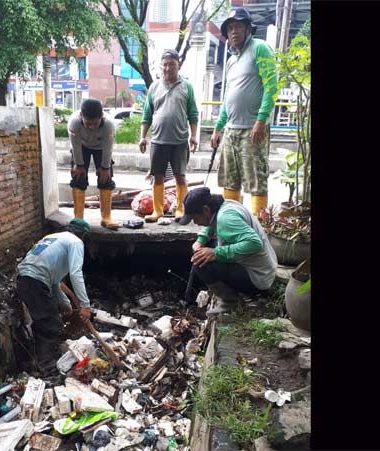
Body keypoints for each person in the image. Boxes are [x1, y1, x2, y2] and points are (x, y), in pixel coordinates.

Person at [210, 7, 278, 217]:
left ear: (248, 28)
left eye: (238, 26)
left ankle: (260, 228)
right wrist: (218, 127)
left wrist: (261, 120)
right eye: (230, 28)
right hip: (231, 130)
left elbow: (271, 86)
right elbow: (227, 98)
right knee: (230, 179)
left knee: (256, 180)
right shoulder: (231, 61)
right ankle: (234, 222)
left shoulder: (261, 48)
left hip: (252, 128)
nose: (233, 32)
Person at [179, 187, 277, 316]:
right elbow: (210, 224)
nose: (195, 223)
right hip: (264, 268)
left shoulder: (226, 219)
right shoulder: (224, 206)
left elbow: (254, 243)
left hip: (257, 277)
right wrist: (200, 240)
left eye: (194, 218)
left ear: (206, 210)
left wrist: (216, 253)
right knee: (203, 251)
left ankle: (230, 301)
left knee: (201, 264)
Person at [16, 218, 93, 370]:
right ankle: (45, 364)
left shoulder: (52, 238)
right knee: (51, 323)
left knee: (43, 319)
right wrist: (85, 306)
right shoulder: (76, 242)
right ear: (83, 235)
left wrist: (65, 304)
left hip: (23, 278)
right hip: (35, 280)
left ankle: (37, 357)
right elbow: (76, 274)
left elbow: (55, 282)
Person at [139, 49, 199, 222]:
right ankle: (158, 211)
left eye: (171, 64)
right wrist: (143, 137)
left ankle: (181, 209)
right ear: (161, 66)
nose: (168, 68)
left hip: (180, 141)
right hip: (158, 140)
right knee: (157, 175)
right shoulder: (154, 87)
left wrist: (194, 136)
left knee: (180, 176)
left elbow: (193, 114)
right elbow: (147, 115)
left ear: (178, 66)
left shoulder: (186, 86)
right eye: (165, 64)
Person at [68, 99, 119, 230]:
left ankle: (106, 217)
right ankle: (78, 217)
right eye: (88, 123)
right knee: (78, 177)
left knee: (105, 179)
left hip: (101, 148)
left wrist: (105, 167)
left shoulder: (109, 125)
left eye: (95, 123)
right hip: (81, 147)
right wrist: (79, 165)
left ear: (101, 117)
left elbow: (108, 148)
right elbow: (75, 146)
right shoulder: (74, 122)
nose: (91, 126)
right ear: (81, 116)